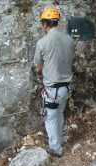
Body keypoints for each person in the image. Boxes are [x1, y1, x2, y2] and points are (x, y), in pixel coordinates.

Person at [34, 6, 75, 157]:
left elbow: (38, 67)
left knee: (50, 118)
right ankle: (59, 141)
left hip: (52, 89)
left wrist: (43, 71)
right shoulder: (70, 40)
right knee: (60, 114)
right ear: (56, 22)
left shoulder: (42, 43)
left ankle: (56, 150)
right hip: (66, 88)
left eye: (42, 23)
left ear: (45, 24)